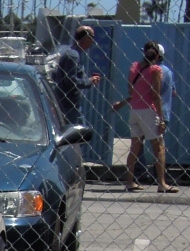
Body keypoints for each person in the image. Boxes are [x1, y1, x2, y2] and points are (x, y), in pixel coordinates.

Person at [112, 40, 177, 193]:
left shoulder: (134, 67)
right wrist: (161, 118)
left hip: (134, 110)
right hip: (150, 111)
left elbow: (132, 91)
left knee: (134, 147)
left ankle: (129, 181)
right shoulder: (157, 70)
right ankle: (161, 183)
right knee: (158, 147)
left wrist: (124, 102)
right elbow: (156, 96)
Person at [50, 25, 102, 124]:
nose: (93, 41)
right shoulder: (73, 55)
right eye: (92, 37)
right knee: (75, 135)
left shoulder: (70, 52)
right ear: (86, 38)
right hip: (69, 106)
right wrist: (89, 81)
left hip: (67, 104)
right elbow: (70, 80)